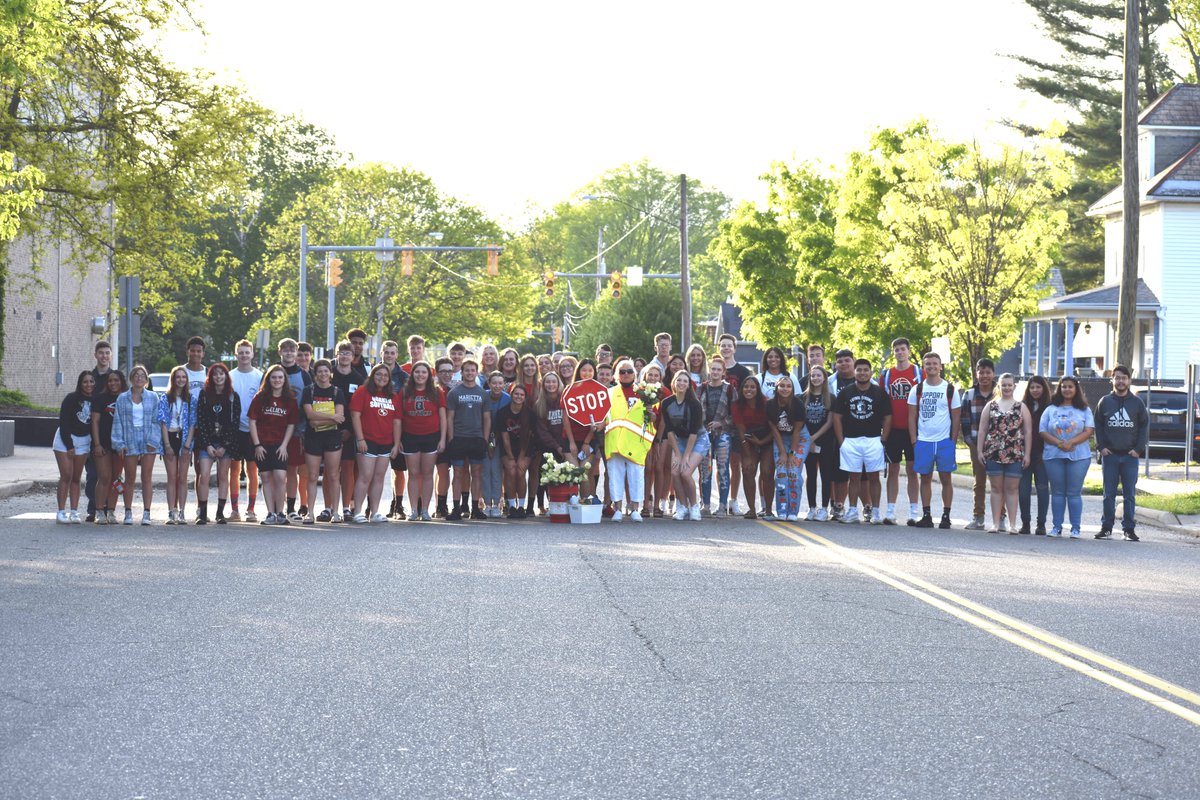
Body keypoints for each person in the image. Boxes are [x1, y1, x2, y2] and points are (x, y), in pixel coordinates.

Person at [906, 352, 961, 529]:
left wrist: (952, 441)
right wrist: (914, 440)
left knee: (946, 478)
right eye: (928, 364)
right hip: (924, 441)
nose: (931, 366)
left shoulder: (949, 389)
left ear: (940, 366)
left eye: (935, 363)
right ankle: (926, 514)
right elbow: (911, 416)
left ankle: (946, 515)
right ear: (924, 367)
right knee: (925, 478)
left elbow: (956, 417)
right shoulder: (917, 389)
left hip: (944, 441)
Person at [833, 358, 891, 524]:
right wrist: (841, 441)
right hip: (851, 440)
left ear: (871, 373)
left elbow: (887, 417)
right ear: (855, 372)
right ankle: (852, 511)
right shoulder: (846, 392)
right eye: (859, 370)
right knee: (854, 477)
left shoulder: (879, 393)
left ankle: (876, 512)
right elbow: (837, 417)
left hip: (873, 440)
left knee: (874, 477)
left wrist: (883, 440)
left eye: (866, 370)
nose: (862, 373)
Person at [1095, 365, 1149, 541]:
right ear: (1112, 380)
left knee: (1129, 495)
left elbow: (1144, 427)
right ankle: (1106, 528)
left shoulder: (1137, 403)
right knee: (1108, 494)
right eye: (1117, 378)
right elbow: (1098, 426)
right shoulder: (1104, 402)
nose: (1120, 381)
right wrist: (1101, 447)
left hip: (1130, 456)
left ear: (1129, 380)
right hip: (1110, 455)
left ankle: (1129, 529)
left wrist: (1138, 449)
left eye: (1124, 378)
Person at [1039, 376, 1095, 539]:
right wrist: (1059, 443)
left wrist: (1071, 443)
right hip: (1053, 455)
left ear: (1076, 389)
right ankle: (1056, 527)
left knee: (1073, 492)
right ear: (1059, 389)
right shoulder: (1050, 409)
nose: (1067, 389)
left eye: (1070, 387)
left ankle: (1075, 528)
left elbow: (1089, 430)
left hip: (1079, 456)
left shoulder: (1084, 409)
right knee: (1057, 492)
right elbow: (1042, 430)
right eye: (1064, 387)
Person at [976, 373, 1032, 534]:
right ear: (999, 386)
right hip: (993, 452)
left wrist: (1027, 454)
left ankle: (1012, 525)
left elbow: (1027, 431)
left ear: (1014, 386)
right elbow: (982, 430)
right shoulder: (990, 406)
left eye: (1009, 385)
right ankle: (995, 523)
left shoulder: (1021, 407)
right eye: (1004, 385)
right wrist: (979, 451)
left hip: (1015, 453)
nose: (1007, 387)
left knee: (1012, 489)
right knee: (996, 488)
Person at [604, 358, 655, 522]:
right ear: (616, 375)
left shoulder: (645, 393)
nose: (626, 374)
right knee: (615, 476)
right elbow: (603, 417)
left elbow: (653, 419)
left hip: (635, 442)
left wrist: (651, 413)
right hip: (615, 441)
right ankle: (617, 509)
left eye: (629, 371)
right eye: (622, 371)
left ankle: (635, 509)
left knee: (636, 476)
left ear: (635, 373)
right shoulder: (609, 393)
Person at [349, 363, 402, 523]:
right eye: (378, 374)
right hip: (367, 440)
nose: (382, 378)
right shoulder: (362, 391)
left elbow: (397, 421)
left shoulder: (393, 396)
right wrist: (360, 439)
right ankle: (358, 511)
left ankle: (375, 512)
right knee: (365, 476)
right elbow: (355, 416)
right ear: (372, 376)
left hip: (386, 442)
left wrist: (396, 444)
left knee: (379, 477)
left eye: (385, 375)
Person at [247, 364, 299, 525]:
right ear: (268, 379)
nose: (277, 380)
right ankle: (271, 513)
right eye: (274, 377)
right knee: (266, 477)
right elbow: (252, 421)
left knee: (280, 477)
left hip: (280, 445)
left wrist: (284, 445)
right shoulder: (260, 397)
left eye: (280, 377)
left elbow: (291, 424)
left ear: (284, 380)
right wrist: (257, 445)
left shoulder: (290, 399)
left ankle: (280, 512)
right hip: (262, 444)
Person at [111, 365, 161, 526]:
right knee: (130, 477)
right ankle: (128, 512)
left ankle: (146, 513)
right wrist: (119, 443)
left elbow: (157, 421)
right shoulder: (122, 398)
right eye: (136, 375)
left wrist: (153, 441)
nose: (139, 378)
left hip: (147, 439)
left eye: (142, 375)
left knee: (146, 477)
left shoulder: (153, 397)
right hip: (129, 439)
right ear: (131, 378)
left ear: (146, 380)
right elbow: (117, 421)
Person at [879, 338, 922, 525]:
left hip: (914, 429)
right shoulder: (887, 375)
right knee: (893, 469)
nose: (900, 352)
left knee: (912, 470)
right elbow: (882, 403)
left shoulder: (919, 373)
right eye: (896, 350)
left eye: (902, 349)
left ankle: (914, 512)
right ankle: (890, 511)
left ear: (909, 351)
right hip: (893, 429)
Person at [194, 362, 241, 525]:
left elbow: (235, 423)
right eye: (215, 374)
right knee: (204, 475)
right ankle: (202, 513)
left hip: (225, 443)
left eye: (221, 374)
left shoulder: (233, 396)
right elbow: (200, 420)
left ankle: (220, 513)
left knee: (223, 476)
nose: (218, 377)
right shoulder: (204, 394)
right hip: (207, 442)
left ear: (226, 376)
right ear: (210, 377)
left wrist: (224, 446)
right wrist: (207, 444)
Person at [445, 358, 492, 521]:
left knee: (476, 473)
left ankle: (475, 508)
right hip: (459, 438)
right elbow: (449, 418)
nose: (470, 373)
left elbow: (487, 418)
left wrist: (484, 439)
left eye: (473, 370)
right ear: (462, 372)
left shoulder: (483, 393)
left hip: (477, 439)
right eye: (467, 370)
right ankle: (456, 508)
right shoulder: (454, 393)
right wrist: (451, 438)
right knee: (458, 474)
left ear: (477, 372)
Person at [300, 358, 346, 523]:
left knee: (333, 475)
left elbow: (340, 417)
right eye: (320, 371)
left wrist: (320, 420)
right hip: (313, 438)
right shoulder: (309, 391)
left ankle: (336, 512)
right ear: (315, 373)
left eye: (326, 371)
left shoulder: (337, 392)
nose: (323, 374)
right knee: (312, 476)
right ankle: (310, 513)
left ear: (330, 373)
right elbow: (310, 415)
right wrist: (331, 417)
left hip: (332, 437)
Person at [399, 360, 446, 522]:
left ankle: (425, 510)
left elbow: (443, 417)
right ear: (412, 374)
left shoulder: (436, 392)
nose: (420, 375)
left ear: (429, 375)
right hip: (410, 436)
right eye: (417, 372)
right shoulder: (405, 392)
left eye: (424, 372)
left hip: (431, 436)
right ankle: (414, 510)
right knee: (413, 474)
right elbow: (398, 418)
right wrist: (398, 439)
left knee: (427, 474)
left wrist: (442, 439)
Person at [660, 370, 708, 521]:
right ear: (674, 383)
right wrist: (677, 454)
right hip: (678, 440)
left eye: (685, 381)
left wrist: (685, 456)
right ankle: (683, 506)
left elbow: (694, 432)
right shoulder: (666, 403)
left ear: (689, 385)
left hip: (698, 439)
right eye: (679, 380)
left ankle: (694, 506)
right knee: (675, 472)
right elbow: (669, 431)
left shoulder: (695, 404)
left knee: (685, 473)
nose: (681, 383)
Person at [766, 374, 811, 521]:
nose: (785, 389)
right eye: (782, 386)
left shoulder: (798, 404)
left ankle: (793, 511)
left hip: (799, 438)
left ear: (792, 389)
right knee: (781, 473)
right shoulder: (770, 405)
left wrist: (791, 453)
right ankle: (782, 511)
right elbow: (774, 430)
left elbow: (797, 431)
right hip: (781, 438)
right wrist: (782, 453)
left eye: (788, 386)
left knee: (793, 472)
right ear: (777, 387)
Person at [278, 338, 313, 522]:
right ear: (280, 352)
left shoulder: (304, 375)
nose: (289, 353)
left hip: (298, 429)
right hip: (275, 429)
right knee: (276, 472)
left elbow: (310, 401)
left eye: (292, 350)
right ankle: (276, 508)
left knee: (292, 470)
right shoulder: (274, 372)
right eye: (286, 350)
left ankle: (291, 508)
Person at [53, 371, 95, 523]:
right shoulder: (71, 398)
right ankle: (61, 512)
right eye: (85, 381)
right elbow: (64, 422)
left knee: (76, 478)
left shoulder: (96, 400)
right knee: (66, 475)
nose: (88, 384)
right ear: (80, 383)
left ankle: (74, 512)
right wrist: (69, 445)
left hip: (84, 441)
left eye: (91, 381)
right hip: (65, 440)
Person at [960, 358, 997, 530]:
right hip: (976, 443)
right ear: (976, 374)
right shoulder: (969, 394)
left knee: (998, 483)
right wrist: (970, 442)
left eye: (988, 372)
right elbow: (964, 420)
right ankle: (978, 517)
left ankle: (1000, 517)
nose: (984, 376)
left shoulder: (999, 393)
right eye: (981, 372)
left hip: (998, 445)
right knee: (979, 482)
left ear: (993, 374)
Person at [229, 339, 263, 523]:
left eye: (247, 352)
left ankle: (251, 509)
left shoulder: (259, 376)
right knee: (234, 470)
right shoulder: (230, 376)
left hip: (253, 429)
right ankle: (234, 509)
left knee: (252, 470)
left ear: (252, 354)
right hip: (235, 429)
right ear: (236, 355)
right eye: (241, 352)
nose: (244, 355)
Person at [158, 365, 196, 525]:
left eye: (183, 377)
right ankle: (171, 511)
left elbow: (193, 423)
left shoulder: (191, 399)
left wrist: (187, 444)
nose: (181, 380)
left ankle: (182, 512)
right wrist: (167, 444)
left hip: (185, 438)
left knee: (183, 478)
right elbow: (163, 422)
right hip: (170, 437)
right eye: (178, 377)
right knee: (172, 477)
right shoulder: (165, 398)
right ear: (173, 379)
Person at [698, 358, 735, 517]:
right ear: (709, 370)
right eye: (713, 369)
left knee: (723, 469)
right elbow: (696, 410)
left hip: (723, 433)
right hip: (704, 433)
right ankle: (705, 505)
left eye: (718, 369)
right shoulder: (701, 388)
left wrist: (722, 423)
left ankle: (722, 506)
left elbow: (735, 414)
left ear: (723, 372)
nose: (715, 372)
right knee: (705, 469)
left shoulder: (730, 389)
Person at [732, 375, 772, 519]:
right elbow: (741, 431)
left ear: (758, 389)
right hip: (748, 440)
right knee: (748, 470)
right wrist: (748, 455)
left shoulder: (767, 403)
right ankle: (752, 509)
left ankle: (768, 510)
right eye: (746, 387)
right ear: (742, 389)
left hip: (767, 439)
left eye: (752, 387)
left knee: (767, 472)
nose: (749, 390)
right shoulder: (737, 405)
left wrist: (761, 442)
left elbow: (774, 429)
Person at [89, 370, 126, 524]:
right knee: (104, 477)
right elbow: (95, 422)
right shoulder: (100, 398)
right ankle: (99, 511)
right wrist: (97, 444)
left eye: (116, 380)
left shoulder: (126, 398)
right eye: (110, 380)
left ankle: (111, 511)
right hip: (103, 444)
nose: (113, 383)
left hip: (120, 446)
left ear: (121, 381)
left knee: (116, 479)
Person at [718, 332, 749, 515]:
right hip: (719, 423)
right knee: (720, 463)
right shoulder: (715, 368)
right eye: (723, 345)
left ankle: (733, 500)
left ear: (734, 348)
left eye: (729, 345)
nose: (726, 348)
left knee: (735, 463)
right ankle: (721, 501)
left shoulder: (743, 372)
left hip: (736, 423)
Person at [84, 340, 115, 521]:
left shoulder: (115, 378)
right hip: (91, 432)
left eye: (107, 353)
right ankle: (93, 508)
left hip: (111, 433)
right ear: (95, 355)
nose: (104, 356)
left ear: (111, 355)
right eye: (101, 353)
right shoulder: (90, 378)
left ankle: (108, 508)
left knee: (110, 475)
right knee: (93, 474)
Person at [331, 340, 362, 520]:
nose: (344, 356)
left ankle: (346, 507)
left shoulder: (358, 379)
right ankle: (329, 507)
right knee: (331, 470)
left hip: (350, 431)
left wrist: (350, 430)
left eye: (348, 353)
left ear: (353, 356)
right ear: (336, 355)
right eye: (341, 353)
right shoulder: (328, 374)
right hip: (327, 429)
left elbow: (359, 408)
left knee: (348, 467)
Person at [1019, 376, 1052, 535]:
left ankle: (1041, 524)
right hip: (1024, 454)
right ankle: (1025, 523)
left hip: (1043, 454)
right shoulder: (1022, 406)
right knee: (1023, 490)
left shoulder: (1050, 407)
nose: (1035, 390)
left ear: (1044, 388)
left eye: (1038, 387)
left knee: (1043, 489)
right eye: (1032, 387)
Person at [802, 365, 836, 521]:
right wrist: (808, 440)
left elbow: (830, 422)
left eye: (818, 375)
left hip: (825, 441)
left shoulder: (831, 398)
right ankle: (811, 508)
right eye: (813, 375)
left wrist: (813, 438)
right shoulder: (802, 397)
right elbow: (800, 421)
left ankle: (824, 508)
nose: (815, 378)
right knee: (811, 474)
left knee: (826, 475)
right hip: (807, 441)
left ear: (824, 378)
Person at [497, 383, 534, 519]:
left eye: (522, 395)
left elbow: (528, 437)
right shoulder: (503, 413)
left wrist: (521, 457)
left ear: (525, 397)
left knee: (520, 471)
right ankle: (512, 506)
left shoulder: (529, 413)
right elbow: (505, 438)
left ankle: (521, 507)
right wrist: (511, 457)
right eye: (516, 394)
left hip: (525, 448)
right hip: (508, 449)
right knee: (511, 471)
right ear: (511, 395)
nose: (519, 396)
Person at [380, 340, 408, 519]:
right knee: (374, 472)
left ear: (397, 354)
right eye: (386, 352)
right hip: (377, 427)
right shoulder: (373, 372)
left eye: (392, 352)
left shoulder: (404, 377)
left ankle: (397, 504)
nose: (389, 355)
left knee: (398, 470)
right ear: (381, 353)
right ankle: (371, 506)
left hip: (398, 429)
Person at [482, 371, 511, 518]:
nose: (497, 386)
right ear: (489, 383)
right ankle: (486, 504)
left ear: (504, 384)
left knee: (497, 472)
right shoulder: (483, 396)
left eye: (500, 383)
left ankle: (496, 504)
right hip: (483, 438)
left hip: (500, 439)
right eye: (494, 383)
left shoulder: (507, 399)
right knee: (485, 471)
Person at [433, 356, 456, 517]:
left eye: (449, 371)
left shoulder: (454, 391)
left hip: (448, 436)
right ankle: (421, 506)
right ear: (436, 372)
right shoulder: (431, 390)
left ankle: (441, 505)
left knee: (443, 470)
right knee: (425, 473)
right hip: (429, 434)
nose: (447, 374)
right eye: (443, 371)